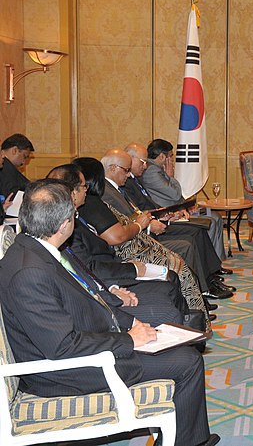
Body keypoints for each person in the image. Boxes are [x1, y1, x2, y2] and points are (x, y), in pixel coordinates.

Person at [0, 179, 219, 446]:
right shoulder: (30, 272)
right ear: (64, 224)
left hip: (82, 345)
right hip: (65, 373)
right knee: (188, 363)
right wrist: (129, 340)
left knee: (175, 345)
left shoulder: (34, 249)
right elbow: (62, 347)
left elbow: (86, 301)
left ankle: (180, 433)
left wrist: (131, 322)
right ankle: (189, 442)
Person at [48, 164, 188, 328]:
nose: (86, 189)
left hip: (109, 274)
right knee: (169, 287)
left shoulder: (77, 215)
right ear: (73, 192)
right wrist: (119, 284)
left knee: (170, 279)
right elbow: (88, 268)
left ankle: (190, 329)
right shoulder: (64, 228)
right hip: (103, 285)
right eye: (83, 186)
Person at [100, 149, 234, 300]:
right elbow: (124, 224)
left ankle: (209, 279)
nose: (128, 174)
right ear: (112, 168)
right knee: (187, 244)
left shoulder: (116, 188)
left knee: (197, 231)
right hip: (139, 241)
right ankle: (200, 290)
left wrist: (161, 216)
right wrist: (150, 225)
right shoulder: (107, 193)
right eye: (126, 170)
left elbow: (137, 211)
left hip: (149, 226)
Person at [140, 139, 226, 259]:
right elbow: (175, 194)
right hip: (168, 213)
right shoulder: (152, 171)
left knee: (216, 217)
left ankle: (217, 259)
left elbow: (172, 195)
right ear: (161, 157)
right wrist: (171, 177)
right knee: (212, 220)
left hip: (176, 209)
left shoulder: (156, 169)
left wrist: (187, 206)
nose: (172, 160)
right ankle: (212, 260)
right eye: (170, 156)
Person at [0, 132, 34, 200]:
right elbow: (12, 195)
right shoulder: (5, 168)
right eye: (24, 156)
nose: (24, 162)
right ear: (14, 150)